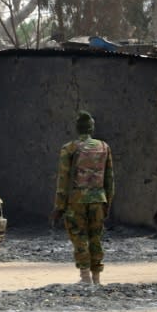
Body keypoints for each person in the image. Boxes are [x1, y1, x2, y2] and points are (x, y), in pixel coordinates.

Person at [51, 110, 115, 284]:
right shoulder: (104, 147)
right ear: (91, 128)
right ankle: (97, 277)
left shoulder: (69, 148)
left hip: (76, 201)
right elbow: (109, 179)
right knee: (95, 237)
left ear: (78, 129)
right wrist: (107, 203)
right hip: (98, 200)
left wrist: (59, 207)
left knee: (79, 236)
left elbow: (63, 179)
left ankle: (85, 277)